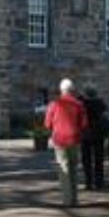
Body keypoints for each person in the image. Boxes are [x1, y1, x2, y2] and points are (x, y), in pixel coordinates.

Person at [44, 77, 88, 207]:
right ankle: (75, 199)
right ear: (72, 90)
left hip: (60, 140)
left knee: (64, 168)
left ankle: (67, 200)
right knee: (74, 169)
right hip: (74, 139)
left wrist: (55, 128)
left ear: (61, 90)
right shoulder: (79, 105)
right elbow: (85, 124)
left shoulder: (54, 104)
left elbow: (47, 124)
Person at [80, 85, 109, 191]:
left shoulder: (81, 103)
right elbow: (106, 118)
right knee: (98, 159)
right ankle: (99, 182)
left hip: (85, 134)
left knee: (86, 160)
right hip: (98, 134)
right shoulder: (100, 103)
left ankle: (88, 183)